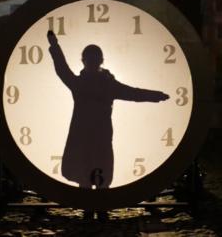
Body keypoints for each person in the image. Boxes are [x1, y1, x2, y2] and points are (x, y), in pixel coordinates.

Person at [47, 30, 169, 189]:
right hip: (100, 136)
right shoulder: (107, 85)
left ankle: (90, 210)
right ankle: (100, 210)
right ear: (100, 61)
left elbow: (62, 69)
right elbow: (134, 93)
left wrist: (55, 46)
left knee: (85, 181)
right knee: (100, 181)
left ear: (84, 61)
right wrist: (156, 96)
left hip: (85, 136)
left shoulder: (80, 84)